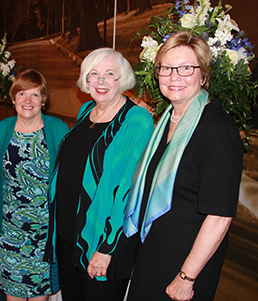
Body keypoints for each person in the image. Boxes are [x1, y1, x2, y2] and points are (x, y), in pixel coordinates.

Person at [123, 31, 244, 301]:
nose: (174, 76)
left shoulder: (217, 129)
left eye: (186, 68)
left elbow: (220, 216)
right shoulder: (167, 121)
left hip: (184, 269)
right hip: (152, 255)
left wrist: (186, 276)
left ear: (203, 75)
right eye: (166, 68)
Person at [43, 48, 154, 301]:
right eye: (94, 74)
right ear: (86, 79)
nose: (101, 81)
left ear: (122, 79)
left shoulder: (137, 119)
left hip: (103, 242)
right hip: (69, 234)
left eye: (109, 74)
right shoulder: (85, 110)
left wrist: (106, 249)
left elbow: (129, 190)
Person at [0, 69, 69, 301]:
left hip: (44, 234)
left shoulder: (58, 129)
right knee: (12, 296)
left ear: (43, 100)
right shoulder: (2, 129)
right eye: (22, 94)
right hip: (9, 232)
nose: (28, 101)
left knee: (39, 297)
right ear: (13, 99)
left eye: (35, 95)